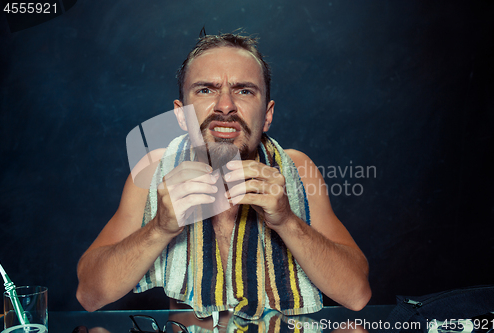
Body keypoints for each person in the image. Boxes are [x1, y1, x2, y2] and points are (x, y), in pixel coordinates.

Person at [76, 32, 371, 319]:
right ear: (181, 115)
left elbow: (356, 295)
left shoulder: (296, 170)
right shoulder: (155, 172)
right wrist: (160, 228)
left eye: (244, 90)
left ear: (267, 115)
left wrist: (286, 220)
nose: (225, 106)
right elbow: (90, 295)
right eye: (206, 89)